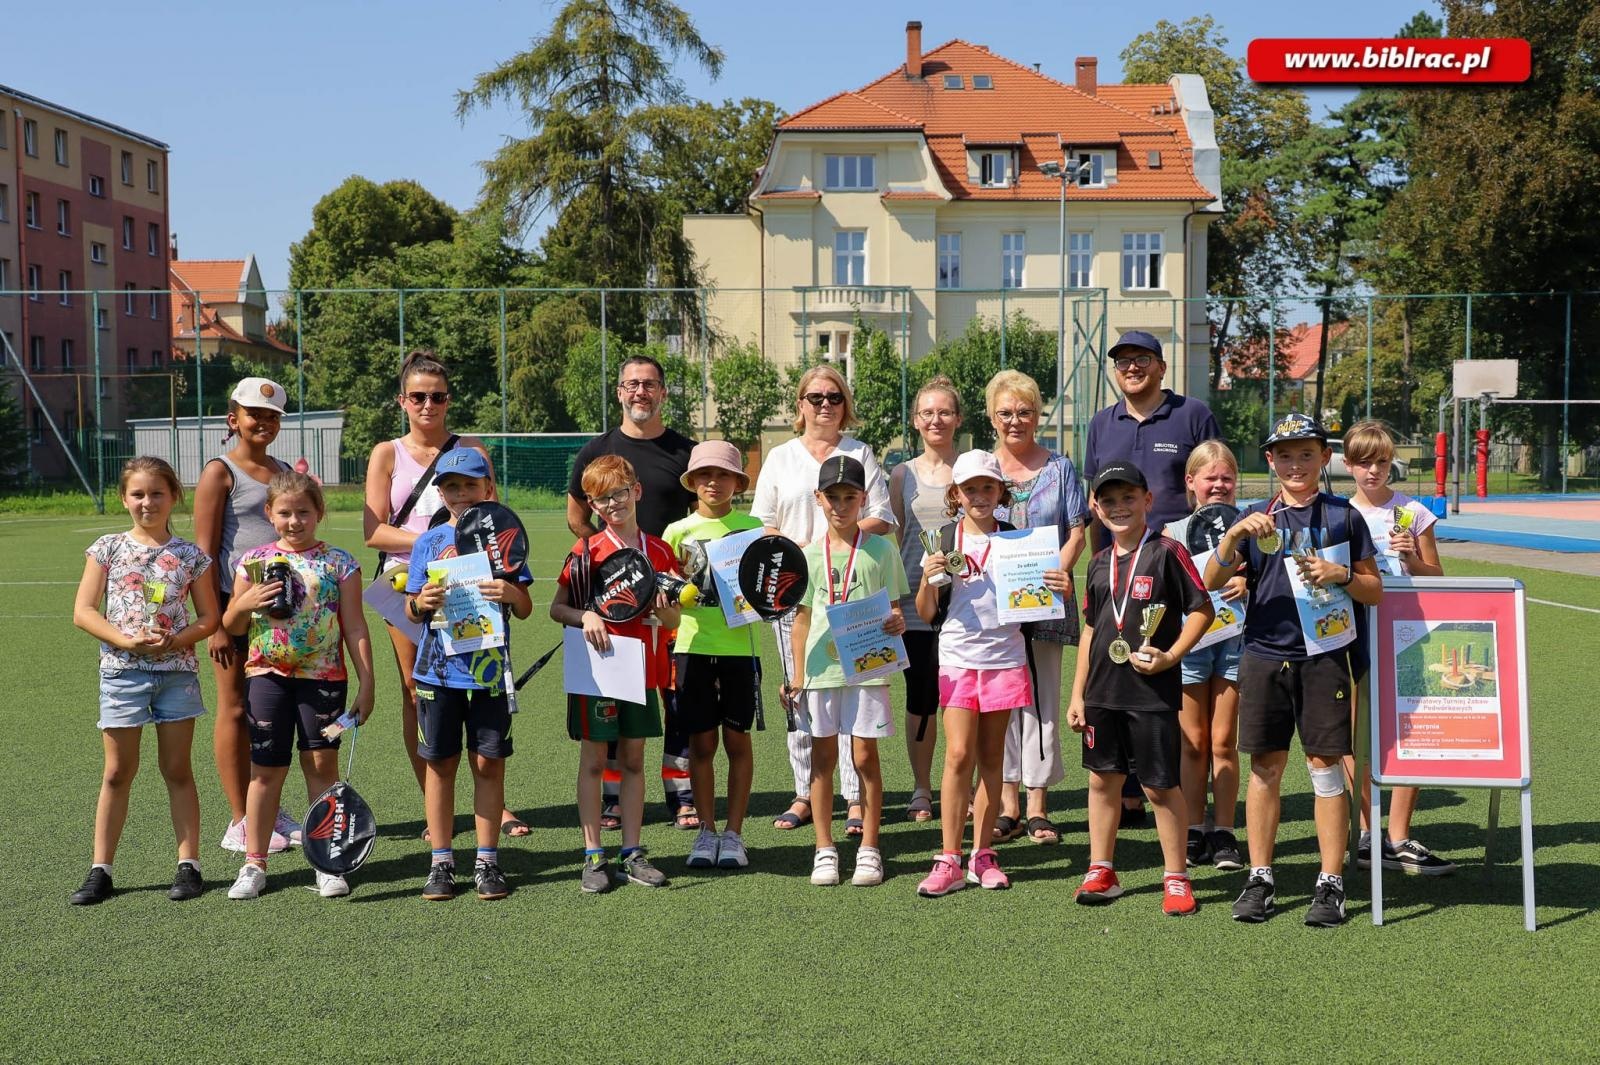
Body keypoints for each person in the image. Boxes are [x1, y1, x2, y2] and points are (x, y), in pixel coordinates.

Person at [1204, 413, 1382, 927]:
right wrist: (1234, 532)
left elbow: (1375, 590)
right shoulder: (1256, 517)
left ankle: (1330, 883)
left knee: (1325, 769)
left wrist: (1342, 574)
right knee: (1265, 769)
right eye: (1286, 454)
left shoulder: (1344, 516)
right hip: (1262, 654)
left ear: (1325, 458)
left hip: (1325, 658)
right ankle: (1260, 876)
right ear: (1270, 460)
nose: (1296, 463)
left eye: (1307, 453)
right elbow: (1213, 580)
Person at [363, 351, 525, 839]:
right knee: (418, 690)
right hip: (413, 587)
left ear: (448, 399)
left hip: (473, 585)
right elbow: (374, 532)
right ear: (403, 401)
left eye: (437, 396)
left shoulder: (470, 447)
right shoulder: (386, 453)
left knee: (479, 684)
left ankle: (493, 808)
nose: (428, 404)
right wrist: (438, 551)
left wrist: (465, 553)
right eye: (418, 396)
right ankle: (435, 808)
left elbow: (494, 519)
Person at [914, 452, 1069, 897]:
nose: (979, 496)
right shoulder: (942, 541)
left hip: (1005, 660)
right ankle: (948, 858)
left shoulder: (1021, 542)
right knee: (958, 755)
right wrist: (928, 580)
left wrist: (1058, 586)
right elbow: (928, 615)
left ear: (1001, 492)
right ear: (955, 494)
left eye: (987, 487)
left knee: (992, 761)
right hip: (958, 660)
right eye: (969, 489)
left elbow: (1041, 604)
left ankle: (983, 855)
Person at [750, 364, 896, 834]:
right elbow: (765, 525)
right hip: (796, 592)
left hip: (854, 593)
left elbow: (882, 518)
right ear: (800, 404)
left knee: (856, 693)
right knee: (803, 692)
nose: (825, 405)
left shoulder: (860, 452)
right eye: (815, 397)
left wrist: (840, 542)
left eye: (834, 397)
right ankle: (803, 792)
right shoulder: (781, 457)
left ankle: (854, 798)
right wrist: (802, 559)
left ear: (844, 403)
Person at [1083, 331, 1221, 824]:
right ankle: (1129, 794)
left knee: (1186, 701)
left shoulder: (1192, 413)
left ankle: (1196, 814)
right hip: (1120, 572)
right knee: (1125, 678)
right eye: (1122, 361)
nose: (1132, 368)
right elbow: (1094, 502)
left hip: (1179, 568)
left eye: (1142, 359)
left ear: (1162, 367)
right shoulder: (1102, 422)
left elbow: (1215, 483)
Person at [70, 457, 219, 905]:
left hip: (176, 676)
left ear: (174, 496)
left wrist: (176, 639)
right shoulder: (108, 548)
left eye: (157, 493)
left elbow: (210, 618)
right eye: (138, 494)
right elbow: (83, 611)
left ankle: (188, 865)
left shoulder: (191, 556)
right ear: (124, 498)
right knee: (117, 773)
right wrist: (124, 641)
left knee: (176, 770)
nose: (147, 502)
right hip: (122, 674)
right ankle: (101, 870)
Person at [1066, 460, 1213, 915]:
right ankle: (1102, 869)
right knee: (1102, 781)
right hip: (1102, 694)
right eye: (1108, 501)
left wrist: (1171, 657)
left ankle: (1175, 876)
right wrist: (1078, 694)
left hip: (1151, 694)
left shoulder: (1167, 552)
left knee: (1159, 786)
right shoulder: (1096, 563)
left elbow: (1203, 610)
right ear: (1096, 508)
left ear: (1147, 501)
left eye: (1128, 498)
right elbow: (1091, 630)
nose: (1119, 507)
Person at [221, 471, 375, 900]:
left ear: (319, 513)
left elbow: (355, 626)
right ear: (269, 513)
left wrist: (367, 682)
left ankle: (325, 861)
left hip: (324, 681)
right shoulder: (252, 562)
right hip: (266, 679)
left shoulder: (340, 563)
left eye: (303, 512)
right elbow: (231, 624)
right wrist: (245, 603)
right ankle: (254, 863)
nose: (294, 521)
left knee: (322, 768)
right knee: (266, 771)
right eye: (284, 513)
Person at [566, 354, 698, 831]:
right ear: (619, 392)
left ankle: (680, 793)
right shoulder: (596, 451)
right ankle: (614, 796)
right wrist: (604, 568)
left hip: (670, 591)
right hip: (616, 602)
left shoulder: (686, 451)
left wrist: (671, 580)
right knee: (616, 698)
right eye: (630, 385)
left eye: (649, 384)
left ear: (662, 392)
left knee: (676, 699)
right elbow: (577, 516)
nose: (640, 392)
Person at [404, 449, 534, 902]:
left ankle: (486, 861)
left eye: (470, 485)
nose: (461, 494)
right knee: (440, 766)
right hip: (439, 674)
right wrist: (422, 602)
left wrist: (511, 591)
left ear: (488, 490)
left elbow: (525, 606)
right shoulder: (428, 542)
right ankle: (441, 862)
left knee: (488, 763)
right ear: (440, 491)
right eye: (452, 486)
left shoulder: (506, 537)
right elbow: (411, 606)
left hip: (491, 673)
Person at [553, 455, 680, 893]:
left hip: (641, 669)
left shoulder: (660, 552)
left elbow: (674, 621)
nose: (612, 504)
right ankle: (592, 854)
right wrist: (585, 615)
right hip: (599, 670)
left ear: (637, 491)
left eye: (619, 493)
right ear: (591, 504)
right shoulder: (586, 552)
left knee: (632, 761)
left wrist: (666, 614)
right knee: (593, 761)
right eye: (601, 499)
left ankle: (632, 851)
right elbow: (557, 607)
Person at [787, 455, 908, 887]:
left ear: (863, 499)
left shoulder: (881, 548)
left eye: (850, 497)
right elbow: (801, 620)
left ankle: (870, 848)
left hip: (868, 668)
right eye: (832, 497)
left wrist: (896, 622)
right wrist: (798, 674)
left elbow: (893, 610)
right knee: (821, 760)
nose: (841, 505)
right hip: (821, 671)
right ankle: (824, 848)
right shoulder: (805, 555)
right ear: (818, 499)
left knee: (863, 758)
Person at [1343, 420, 1455, 876]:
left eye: (1382, 462)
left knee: (1410, 727)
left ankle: (1400, 834)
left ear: (1393, 464)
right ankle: (1368, 832)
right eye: (1364, 462)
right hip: (1351, 630)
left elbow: (1437, 577)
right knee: (1354, 734)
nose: (1373, 471)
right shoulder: (1338, 512)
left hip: (1408, 630)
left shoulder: (1412, 511)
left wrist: (1411, 558)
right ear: (1347, 465)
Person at [193, 377, 296, 855]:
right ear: (233, 419)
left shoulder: (280, 472)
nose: (264, 422)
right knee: (235, 708)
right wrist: (214, 622)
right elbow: (202, 554)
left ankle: (267, 810)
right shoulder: (220, 472)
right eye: (254, 414)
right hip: (233, 612)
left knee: (270, 711)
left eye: (273, 416)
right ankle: (240, 818)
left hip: (280, 613)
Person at [987, 370, 1087, 845]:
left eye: (1024, 411)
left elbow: (1077, 530)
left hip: (1049, 599)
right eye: (1005, 412)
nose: (1015, 420)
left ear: (1038, 415)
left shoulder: (1061, 468)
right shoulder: (983, 470)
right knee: (1005, 697)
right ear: (992, 417)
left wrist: (1059, 572)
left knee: (1044, 696)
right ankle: (1006, 803)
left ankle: (1038, 803)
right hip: (995, 606)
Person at [663, 441, 764, 871]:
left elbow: (770, 591)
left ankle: (735, 834)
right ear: (691, 482)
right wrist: (668, 606)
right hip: (691, 648)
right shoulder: (676, 532)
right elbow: (667, 608)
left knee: (737, 742)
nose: (713, 482)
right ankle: (707, 831)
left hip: (740, 649)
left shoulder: (755, 528)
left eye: (724, 475)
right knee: (700, 744)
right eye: (705, 474)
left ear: (738, 482)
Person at [1161, 441, 1248, 871]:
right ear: (1190, 482)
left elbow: (1272, 575)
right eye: (1209, 477)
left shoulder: (1252, 529)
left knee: (1222, 742)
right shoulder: (1171, 534)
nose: (1218, 485)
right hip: (1190, 645)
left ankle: (1225, 831)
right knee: (1193, 743)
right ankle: (1194, 827)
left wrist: (1248, 585)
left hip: (1235, 642)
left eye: (1226, 477)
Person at [888, 376, 962, 823]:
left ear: (958, 418)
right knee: (921, 698)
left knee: (962, 700)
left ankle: (963, 782)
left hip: (967, 602)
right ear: (916, 421)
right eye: (927, 413)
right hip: (917, 603)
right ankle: (921, 788)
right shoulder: (902, 474)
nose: (936, 420)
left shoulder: (974, 466)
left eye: (945, 412)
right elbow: (895, 538)